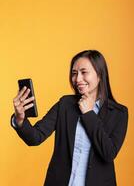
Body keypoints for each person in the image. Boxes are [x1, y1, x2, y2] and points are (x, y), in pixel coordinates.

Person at [11, 50, 128, 186]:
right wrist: (19, 119)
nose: (77, 79)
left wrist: (88, 114)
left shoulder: (119, 113)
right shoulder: (65, 104)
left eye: (84, 72)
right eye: (74, 73)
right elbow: (36, 137)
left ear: (100, 75)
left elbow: (108, 153)